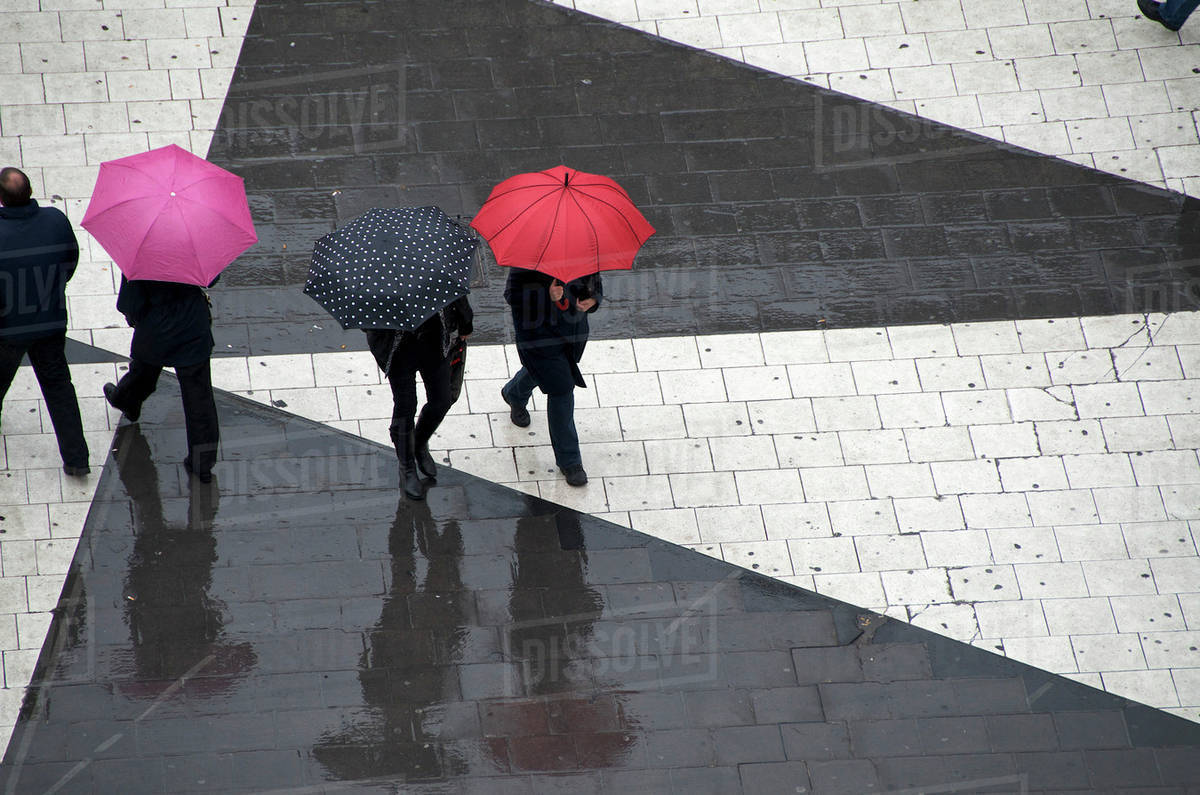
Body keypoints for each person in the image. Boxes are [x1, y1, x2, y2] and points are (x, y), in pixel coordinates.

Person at [0, 167, 90, 477]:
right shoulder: (55, 220)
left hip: (7, 330)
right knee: (59, 389)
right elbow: (70, 261)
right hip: (49, 323)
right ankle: (77, 459)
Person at [103, 276, 220, 483]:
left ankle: (127, 401)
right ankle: (202, 464)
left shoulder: (140, 255)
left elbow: (128, 304)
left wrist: (141, 319)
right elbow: (211, 278)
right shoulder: (191, 246)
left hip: (155, 329)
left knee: (143, 373)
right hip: (193, 327)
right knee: (199, 398)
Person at [366, 295, 472, 501]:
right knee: (406, 406)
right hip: (397, 349)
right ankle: (406, 466)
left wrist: (465, 322)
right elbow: (366, 319)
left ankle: (419, 442)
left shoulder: (431, 264)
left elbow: (456, 292)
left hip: (433, 339)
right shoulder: (375, 276)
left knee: (442, 399)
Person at [501, 269, 601, 487]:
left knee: (548, 373)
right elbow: (512, 296)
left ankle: (514, 393)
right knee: (562, 390)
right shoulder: (525, 262)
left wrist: (594, 300)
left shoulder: (583, 248)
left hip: (572, 333)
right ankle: (570, 461)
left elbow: (594, 283)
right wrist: (549, 296)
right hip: (539, 338)